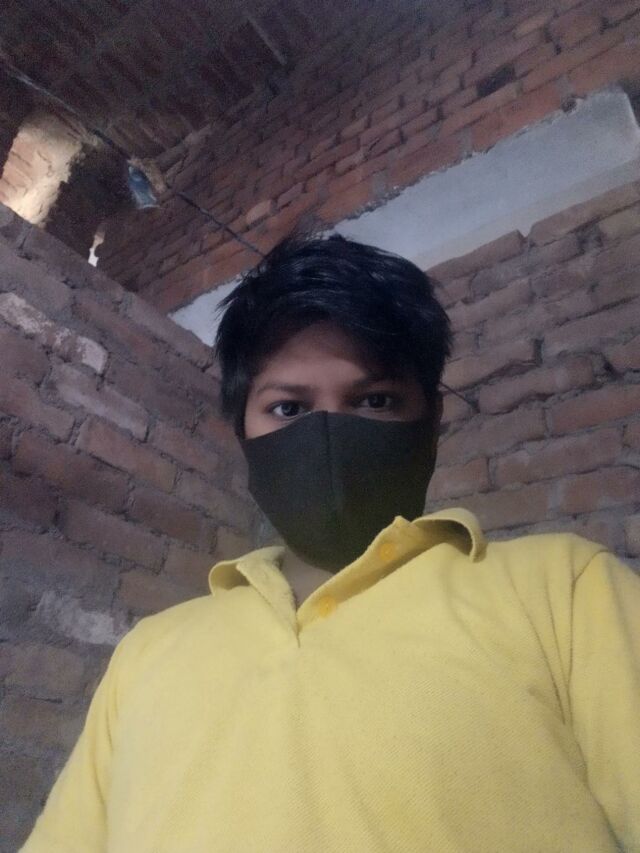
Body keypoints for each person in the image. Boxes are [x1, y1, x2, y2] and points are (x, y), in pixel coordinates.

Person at [22, 234, 640, 852]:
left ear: (432, 422)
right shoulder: (145, 654)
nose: (326, 435)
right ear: (242, 433)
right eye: (288, 409)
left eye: (375, 400)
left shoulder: (565, 589)